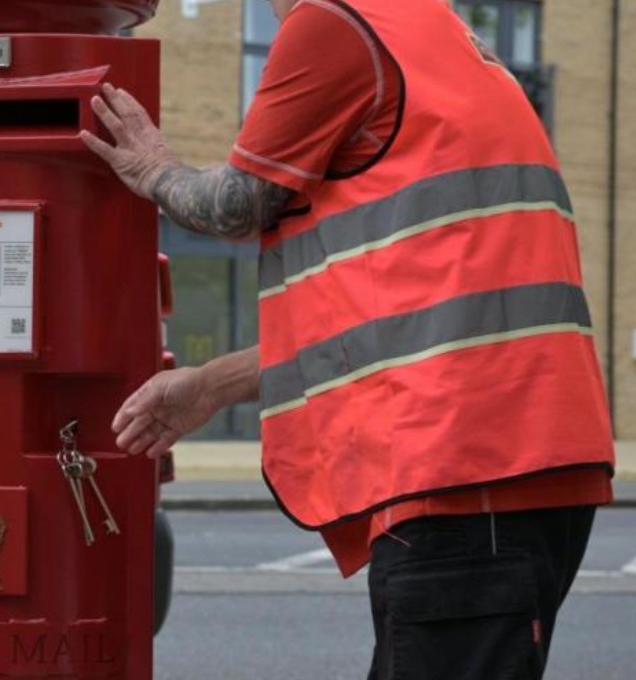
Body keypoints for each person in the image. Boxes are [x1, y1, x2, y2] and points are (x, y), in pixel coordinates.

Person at [80, 0, 617, 677]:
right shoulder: (433, 32)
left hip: (460, 469)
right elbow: (393, 326)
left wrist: (153, 167)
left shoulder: (334, 23)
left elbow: (237, 204)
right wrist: (210, 386)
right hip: (517, 465)